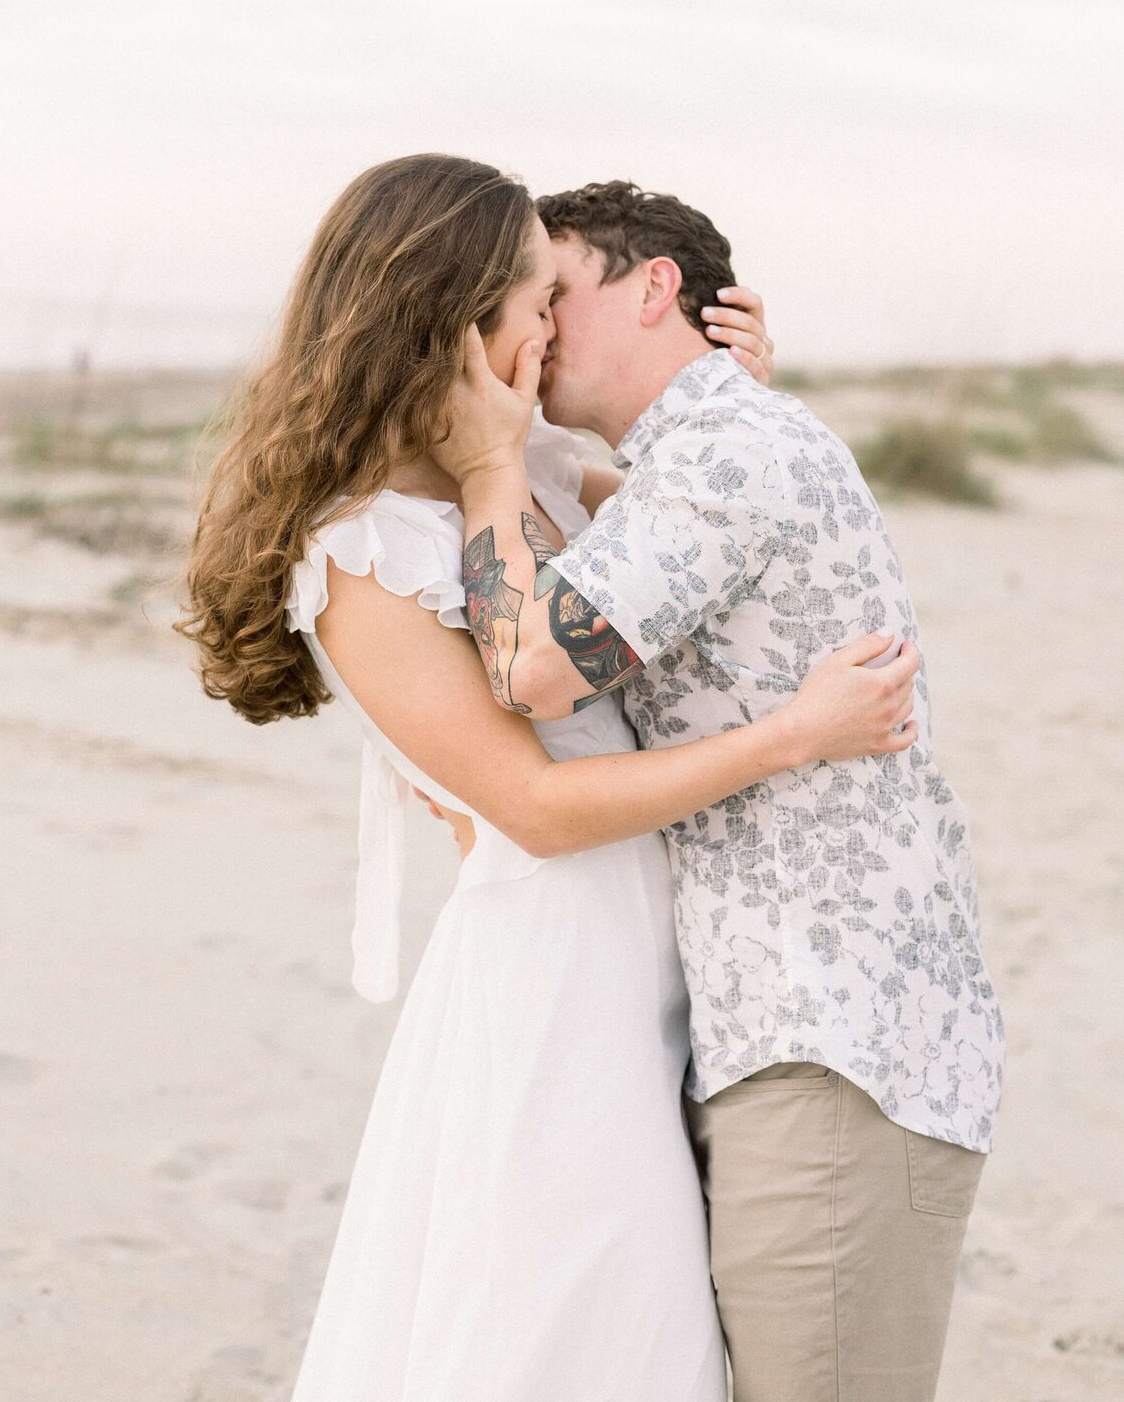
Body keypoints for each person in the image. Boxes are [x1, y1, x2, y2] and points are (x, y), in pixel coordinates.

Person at [178, 154, 921, 1402]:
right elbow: (534, 807)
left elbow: (702, 538)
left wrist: (721, 401)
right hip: (555, 984)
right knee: (579, 1330)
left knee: (646, 1336)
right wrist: (793, 735)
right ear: (459, 326)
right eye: (537, 299)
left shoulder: (543, 476)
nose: (554, 324)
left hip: (666, 972)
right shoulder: (355, 556)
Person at [435, 179, 1006, 1402]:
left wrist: (487, 467)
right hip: (770, 1033)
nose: (530, 330)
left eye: (554, 293)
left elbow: (533, 665)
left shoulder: (731, 450)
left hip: (836, 1045)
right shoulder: (707, 451)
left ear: (656, 290)